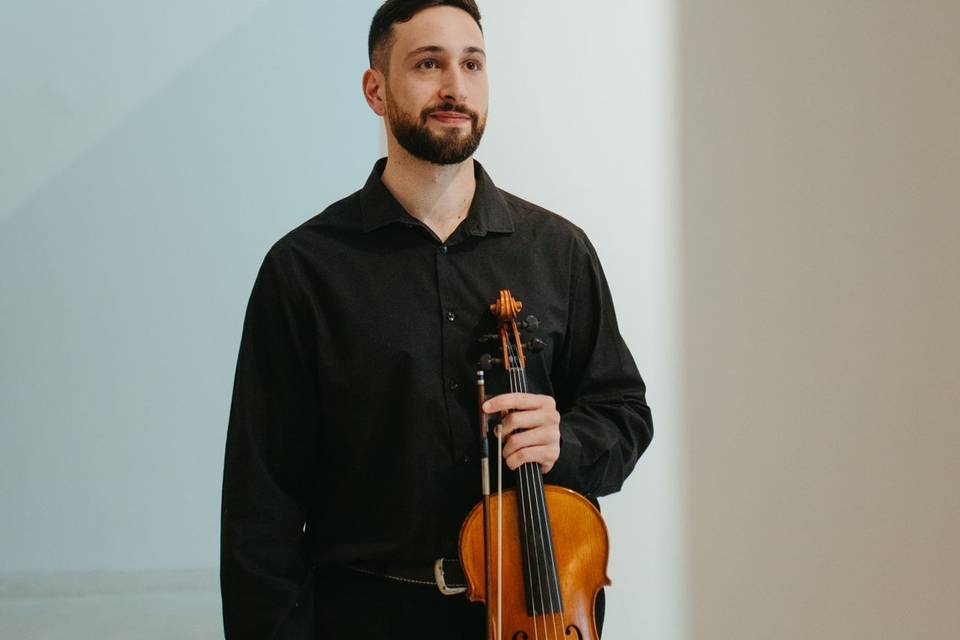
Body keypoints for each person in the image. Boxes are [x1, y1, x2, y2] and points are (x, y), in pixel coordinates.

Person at [220, 1, 653, 638]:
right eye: (428, 64)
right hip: (365, 616)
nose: (455, 87)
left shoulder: (557, 251)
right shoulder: (305, 270)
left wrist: (567, 443)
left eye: (471, 64)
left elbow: (625, 413)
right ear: (376, 89)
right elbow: (262, 502)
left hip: (538, 609)